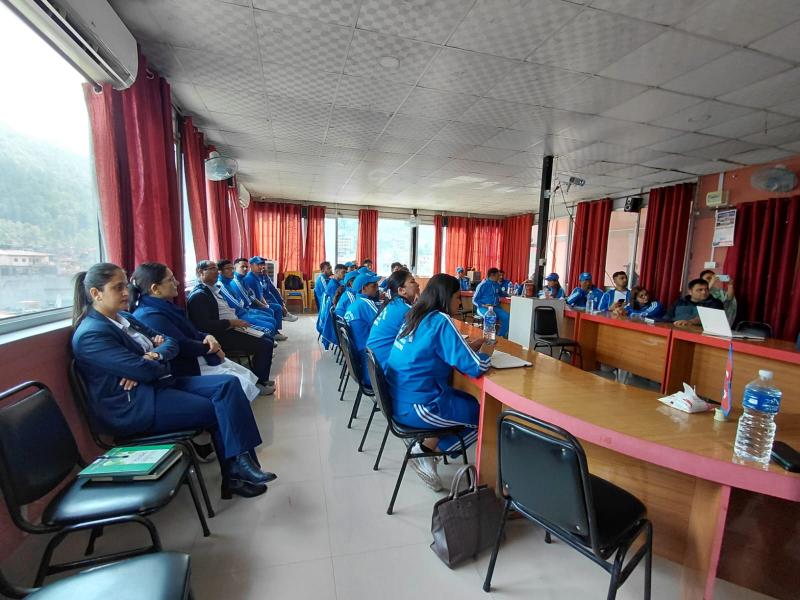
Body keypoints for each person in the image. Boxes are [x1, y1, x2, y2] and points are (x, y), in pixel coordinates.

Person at [71, 263, 275, 499]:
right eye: (117, 288)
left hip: (156, 385)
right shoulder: (92, 334)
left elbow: (170, 343)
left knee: (228, 385)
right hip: (136, 404)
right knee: (218, 407)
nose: (126, 292)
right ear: (96, 293)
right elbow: (147, 369)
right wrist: (152, 359)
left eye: (125, 285)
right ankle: (235, 474)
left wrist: (154, 356)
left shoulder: (124, 318)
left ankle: (242, 464)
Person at [386, 274, 493, 491]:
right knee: (485, 418)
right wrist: (487, 352)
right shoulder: (441, 320)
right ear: (446, 297)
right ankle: (425, 452)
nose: (460, 303)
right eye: (457, 297)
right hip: (417, 407)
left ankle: (427, 448)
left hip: (398, 398)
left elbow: (433, 350)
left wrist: (466, 348)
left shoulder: (415, 315)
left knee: (468, 402)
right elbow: (477, 367)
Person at [129, 262, 261, 401]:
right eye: (171, 280)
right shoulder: (150, 315)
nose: (177, 283)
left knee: (245, 374)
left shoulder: (165, 306)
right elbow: (182, 345)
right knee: (239, 383)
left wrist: (208, 336)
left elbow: (192, 330)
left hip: (200, 353)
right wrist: (213, 348)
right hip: (186, 366)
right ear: (155, 289)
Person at [187, 261, 276, 394]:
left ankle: (260, 378)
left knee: (268, 338)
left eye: (217, 269)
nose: (217, 272)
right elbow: (203, 326)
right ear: (201, 272)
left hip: (230, 327)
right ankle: (258, 384)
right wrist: (231, 323)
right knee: (265, 344)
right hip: (220, 335)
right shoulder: (199, 295)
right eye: (212, 269)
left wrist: (234, 322)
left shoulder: (212, 289)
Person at [367, 270, 418, 371]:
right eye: (412, 282)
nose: (417, 284)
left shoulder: (392, 304)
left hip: (372, 365)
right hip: (383, 368)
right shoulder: (406, 310)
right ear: (401, 290)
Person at [344, 273, 382, 384]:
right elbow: (383, 323)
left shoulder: (356, 304)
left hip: (361, 357)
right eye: (374, 285)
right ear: (363, 288)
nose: (377, 288)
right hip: (370, 361)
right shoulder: (365, 304)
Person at [233, 258, 283, 333]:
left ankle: (275, 332)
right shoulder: (245, 279)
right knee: (270, 316)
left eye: (246, 267)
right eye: (242, 267)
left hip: (250, 307)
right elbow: (249, 299)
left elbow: (263, 292)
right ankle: (273, 333)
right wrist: (263, 305)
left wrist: (265, 304)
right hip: (248, 308)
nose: (261, 267)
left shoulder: (249, 278)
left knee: (273, 309)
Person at [246, 257, 299, 323]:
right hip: (259, 302)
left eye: (262, 264)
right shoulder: (250, 278)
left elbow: (273, 290)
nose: (262, 266)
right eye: (258, 264)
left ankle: (284, 314)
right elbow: (253, 297)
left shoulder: (264, 275)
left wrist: (282, 302)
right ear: (251, 266)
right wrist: (264, 305)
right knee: (276, 307)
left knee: (276, 301)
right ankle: (282, 315)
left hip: (266, 298)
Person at [473, 268, 510, 337]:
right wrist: (484, 305)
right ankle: (488, 338)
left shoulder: (496, 284)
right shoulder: (482, 285)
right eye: (498, 275)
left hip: (496, 307)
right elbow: (474, 300)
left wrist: (510, 294)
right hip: (483, 308)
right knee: (490, 316)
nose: (500, 277)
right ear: (492, 275)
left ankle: (499, 336)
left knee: (507, 317)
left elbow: (501, 294)